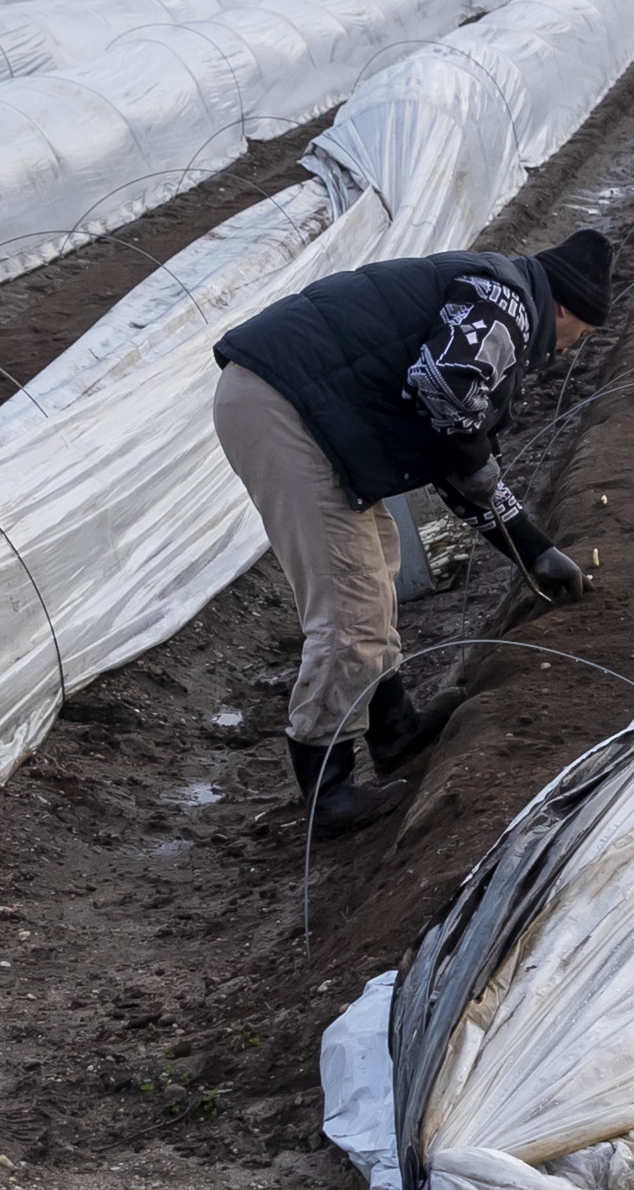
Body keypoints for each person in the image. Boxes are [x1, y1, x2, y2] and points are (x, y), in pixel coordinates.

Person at [212, 229, 609, 836]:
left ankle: (393, 728)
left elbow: (454, 453)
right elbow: (448, 400)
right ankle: (328, 788)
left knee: (377, 566)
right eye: (580, 333)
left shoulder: (500, 297)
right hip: (284, 407)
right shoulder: (505, 304)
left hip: (311, 407)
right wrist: (519, 530)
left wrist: (534, 550)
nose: (569, 349)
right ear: (564, 308)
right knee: (350, 610)